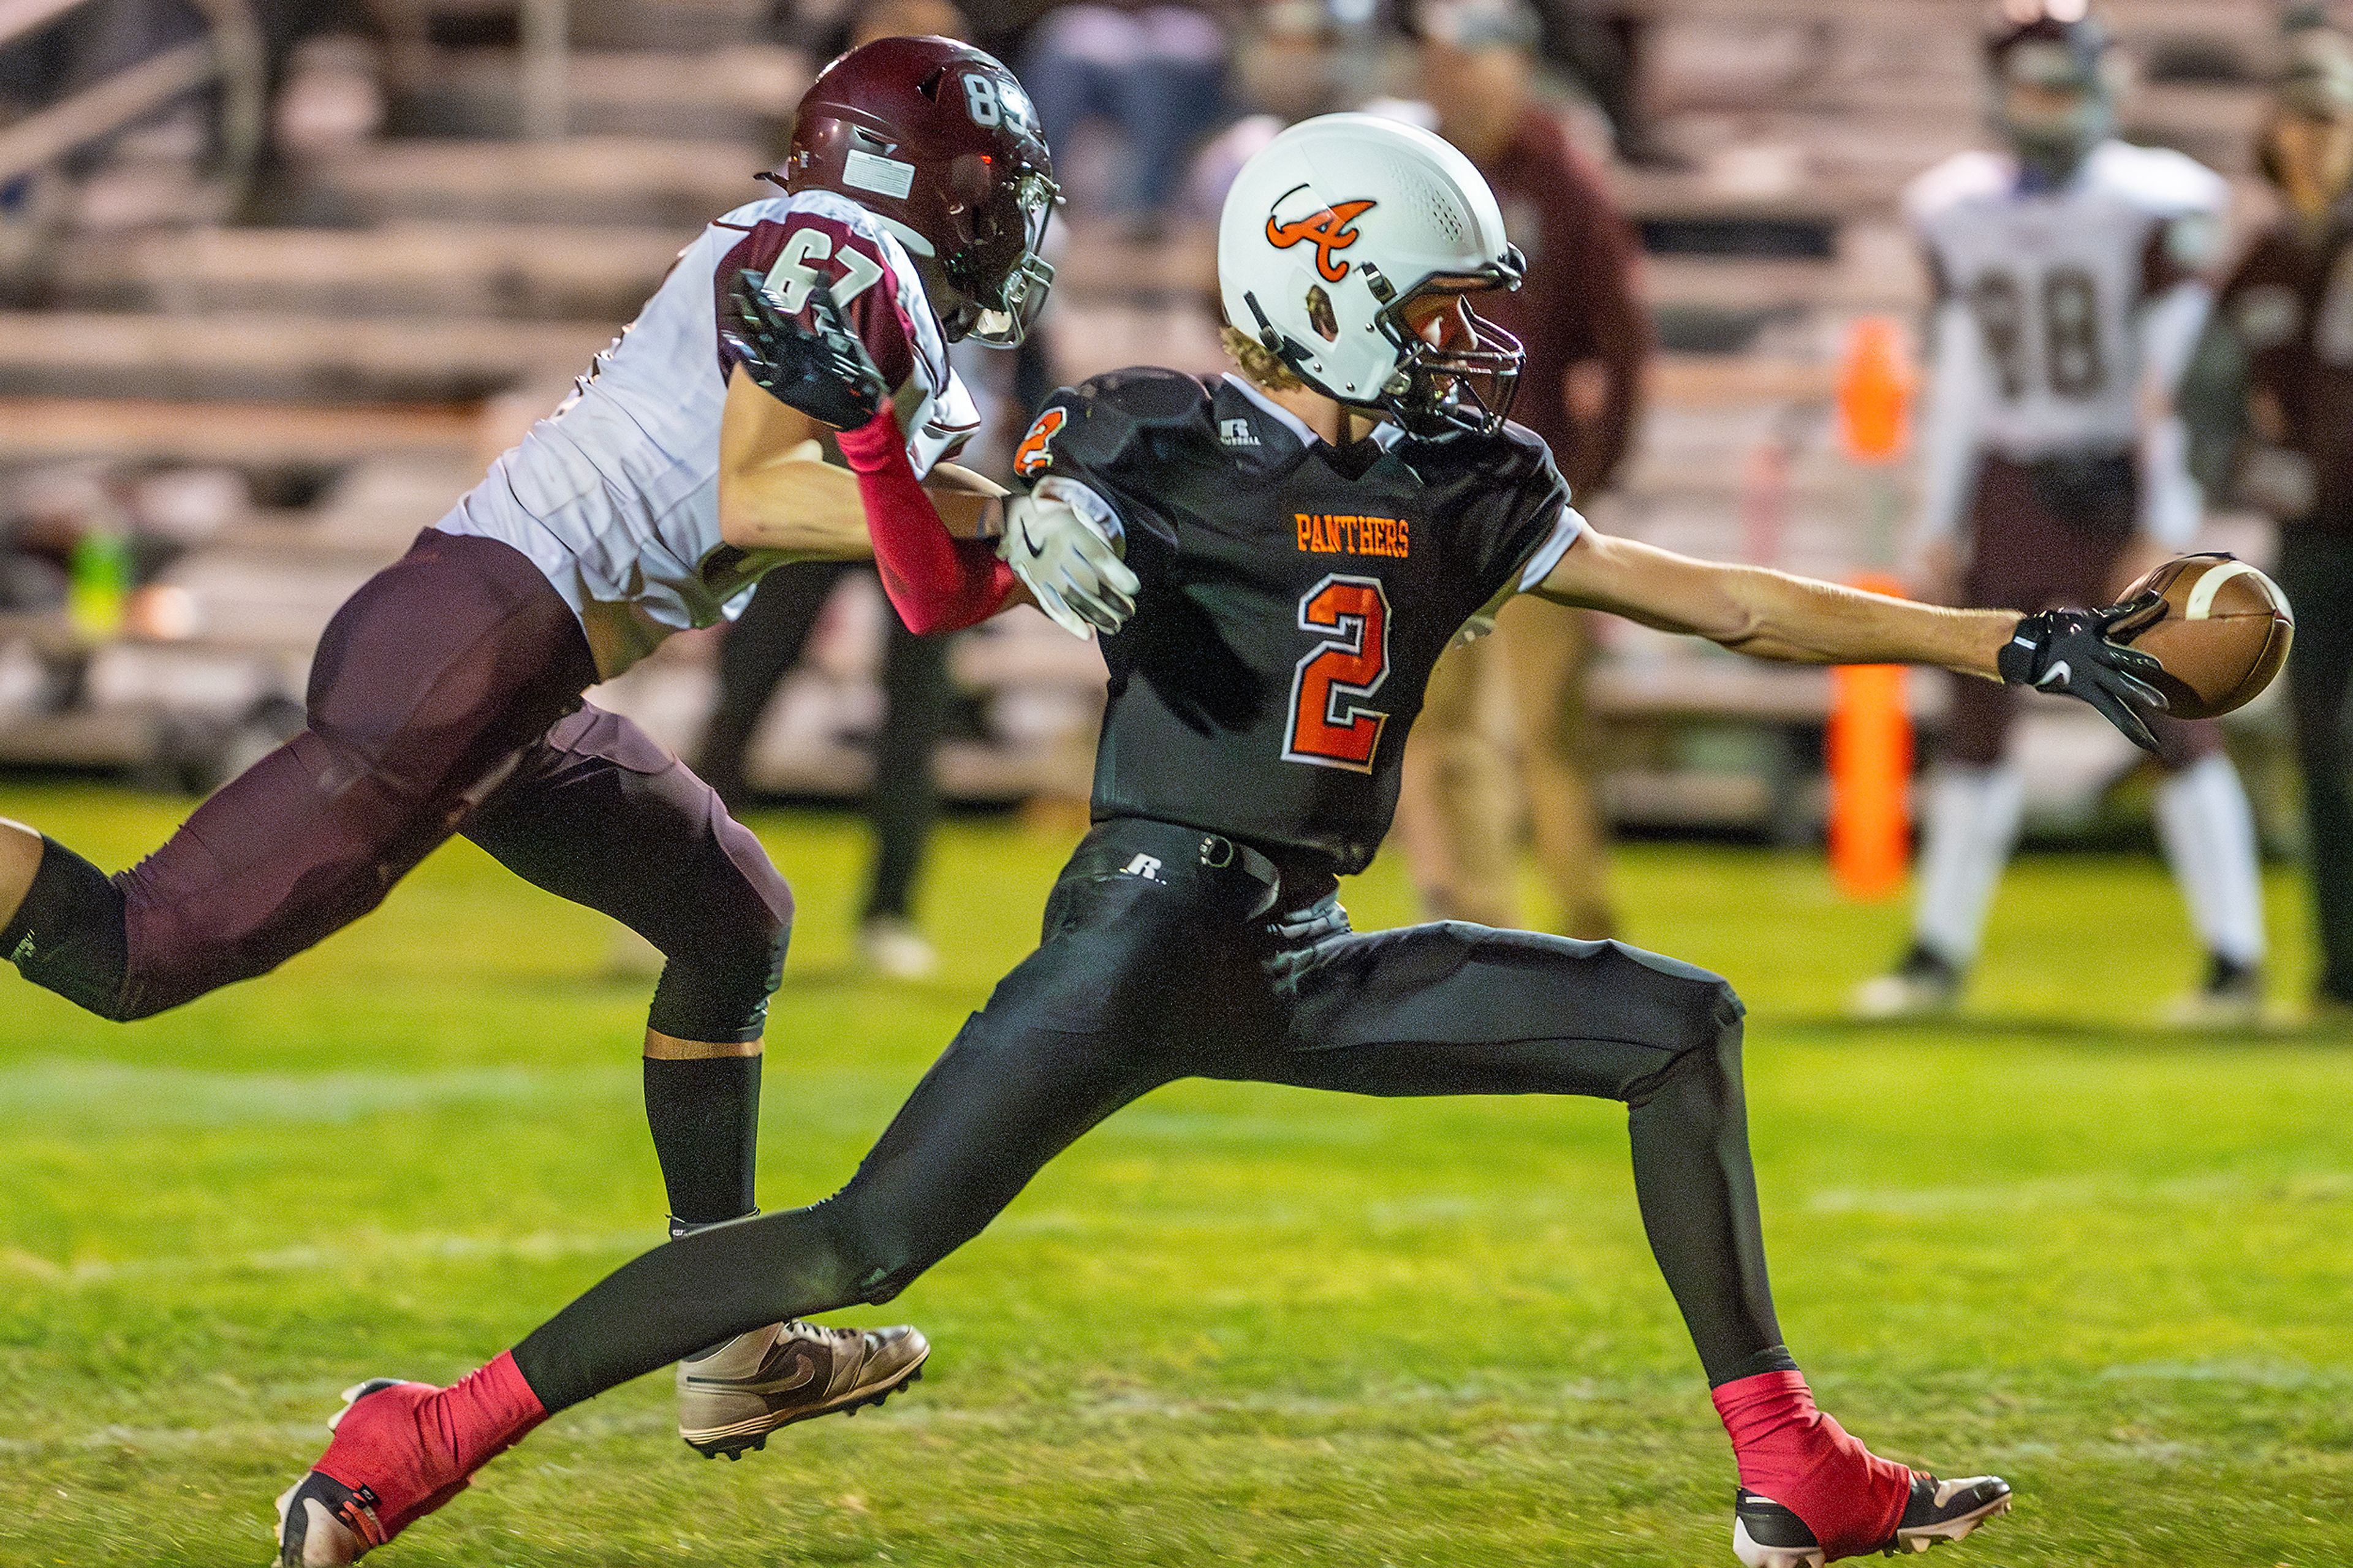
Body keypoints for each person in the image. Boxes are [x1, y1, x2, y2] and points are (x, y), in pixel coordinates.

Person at [249, 110, 2197, 1568]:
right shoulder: (1146, 436)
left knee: (1676, 1026)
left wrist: (2017, 640)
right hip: (1134, 933)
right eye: (1435, 305)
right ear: (1329, 287)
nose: (1468, 345)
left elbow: (1729, 605)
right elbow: (936, 596)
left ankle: (1789, 1463)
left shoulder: (1466, 479)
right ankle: (423, 1427)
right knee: (859, 1236)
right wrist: (892, 463)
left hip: (1289, 946)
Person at [0, 36, 1123, 1460]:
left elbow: (910, 544)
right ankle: (728, 1330)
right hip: (472, 651)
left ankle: (729, 1340)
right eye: (992, 185)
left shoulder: (838, 255)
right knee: (133, 950)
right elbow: (765, 493)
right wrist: (1009, 518)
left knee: (733, 917)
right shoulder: (840, 252)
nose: (1011, 216)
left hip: (499, 658)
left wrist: (1027, 517)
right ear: (923, 177)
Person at [1852, 0, 2267, 1026]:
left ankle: (2235, 958)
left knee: (2177, 712)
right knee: (1977, 715)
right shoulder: (1956, 207)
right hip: (2011, 477)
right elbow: (1962, 380)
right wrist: (1939, 517)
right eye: (2034, 79)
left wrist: (2165, 512)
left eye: (2067, 77)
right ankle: (1938, 952)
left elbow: (2172, 379)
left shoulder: (2157, 200)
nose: (2052, 102)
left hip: (2119, 479)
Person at [696, 0, 987, 982]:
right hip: (834, 466)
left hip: (928, 466)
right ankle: (685, 891)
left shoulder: (983, 184)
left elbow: (1031, 335)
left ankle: (892, 909)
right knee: (749, 683)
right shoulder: (831, 201)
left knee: (917, 706)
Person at [1390, 0, 1648, 938]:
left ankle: (1587, 922)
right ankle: (1472, 922)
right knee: (1438, 722)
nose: (1457, 78)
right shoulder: (1406, 172)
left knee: (1551, 724)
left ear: (1518, 64)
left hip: (1529, 491)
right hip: (1422, 488)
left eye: (1474, 59)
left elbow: (1621, 339)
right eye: (1444, 60)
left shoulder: (1562, 178)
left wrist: (1591, 471)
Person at [2188, 12, 2353, 1018]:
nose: (2317, 139)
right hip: (2313, 538)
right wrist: (2250, 471)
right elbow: (2208, 399)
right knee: (2323, 750)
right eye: (2304, 121)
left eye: (2333, 120)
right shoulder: (2261, 262)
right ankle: (2341, 973)